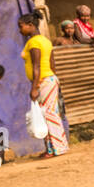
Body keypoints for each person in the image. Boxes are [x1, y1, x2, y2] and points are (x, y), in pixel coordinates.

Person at [19, 11, 68, 157]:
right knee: (48, 114)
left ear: (30, 25)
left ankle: (56, 148)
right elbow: (52, 64)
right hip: (50, 79)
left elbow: (36, 66)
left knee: (48, 114)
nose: (19, 30)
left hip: (43, 81)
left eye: (20, 26)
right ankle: (52, 148)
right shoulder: (45, 40)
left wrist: (34, 88)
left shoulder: (34, 42)